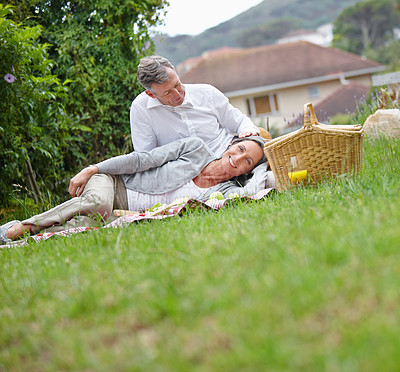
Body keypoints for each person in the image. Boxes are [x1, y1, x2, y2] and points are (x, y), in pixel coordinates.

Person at [0, 136, 275, 243]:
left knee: (74, 231)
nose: (238, 158)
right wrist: (93, 168)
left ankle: (10, 234)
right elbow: (142, 159)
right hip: (113, 183)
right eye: (240, 149)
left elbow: (248, 193)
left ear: (246, 171)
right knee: (97, 205)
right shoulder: (195, 147)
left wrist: (263, 165)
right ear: (231, 144)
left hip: (123, 214)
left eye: (247, 160)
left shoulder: (225, 192)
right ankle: (25, 226)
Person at [130, 55, 260, 157]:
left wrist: (248, 130)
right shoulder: (141, 109)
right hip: (185, 170)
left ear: (175, 72)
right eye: (167, 92)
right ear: (150, 94)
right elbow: (146, 155)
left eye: (176, 85)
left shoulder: (207, 93)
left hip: (227, 154)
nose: (177, 94)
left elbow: (239, 122)